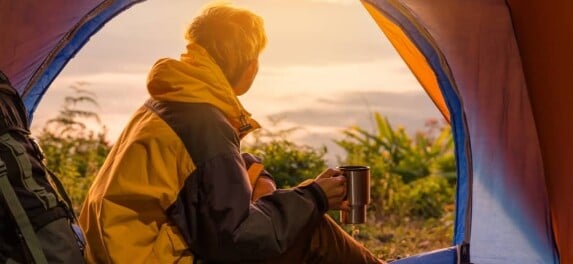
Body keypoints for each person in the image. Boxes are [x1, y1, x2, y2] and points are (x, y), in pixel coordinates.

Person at [78, 3, 383, 263]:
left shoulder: (171, 97)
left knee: (258, 177)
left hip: (117, 250)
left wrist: (253, 173)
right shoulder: (204, 123)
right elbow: (236, 239)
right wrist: (315, 196)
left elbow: (197, 184)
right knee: (313, 231)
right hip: (149, 257)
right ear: (249, 66)